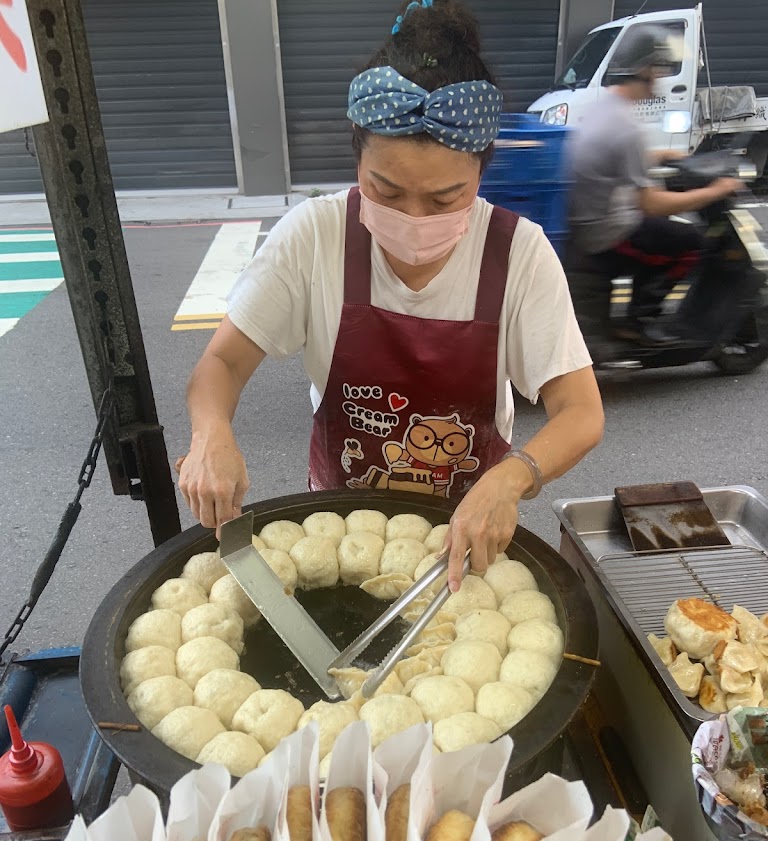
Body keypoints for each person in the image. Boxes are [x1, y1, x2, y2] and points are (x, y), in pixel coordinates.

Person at [178, 0, 604, 589]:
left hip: (464, 539)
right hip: (337, 534)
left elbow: (580, 412)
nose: (414, 217)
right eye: (386, 189)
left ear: (482, 173)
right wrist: (211, 436)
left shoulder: (519, 253)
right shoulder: (315, 236)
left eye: (445, 198)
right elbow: (221, 362)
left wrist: (512, 479)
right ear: (357, 161)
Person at [567, 25, 741, 332]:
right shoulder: (627, 126)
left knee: (664, 234)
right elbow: (652, 205)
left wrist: (662, 155)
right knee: (691, 243)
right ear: (644, 70)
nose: (660, 77)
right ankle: (640, 319)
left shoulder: (603, 107)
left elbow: (614, 157)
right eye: (658, 69)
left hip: (588, 218)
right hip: (608, 233)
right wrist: (716, 190)